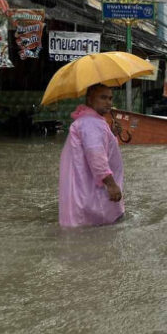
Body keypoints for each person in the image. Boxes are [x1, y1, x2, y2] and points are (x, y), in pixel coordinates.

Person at [58, 84, 124, 228]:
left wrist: (111, 134)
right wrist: (112, 185)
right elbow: (96, 155)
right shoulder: (91, 123)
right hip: (93, 198)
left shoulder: (87, 121)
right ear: (89, 100)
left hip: (83, 191)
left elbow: (93, 149)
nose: (109, 102)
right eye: (103, 97)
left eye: (110, 98)